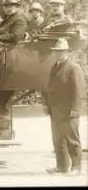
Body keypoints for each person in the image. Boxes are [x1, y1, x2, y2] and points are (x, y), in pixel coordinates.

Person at [44, 38, 84, 175]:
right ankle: (61, 167)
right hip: (55, 110)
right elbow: (50, 88)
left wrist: (75, 109)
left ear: (67, 52)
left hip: (68, 111)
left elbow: (78, 90)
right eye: (56, 51)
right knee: (58, 139)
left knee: (72, 139)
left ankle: (76, 167)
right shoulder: (55, 67)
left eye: (61, 51)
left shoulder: (73, 68)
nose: (58, 54)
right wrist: (48, 106)